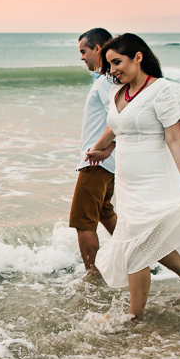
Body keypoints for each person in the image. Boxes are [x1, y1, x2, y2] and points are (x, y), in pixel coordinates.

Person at [85, 34, 180, 317]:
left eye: (117, 61)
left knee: (135, 246)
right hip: (128, 181)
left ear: (138, 56)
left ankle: (135, 314)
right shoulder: (117, 92)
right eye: (109, 65)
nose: (112, 70)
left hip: (155, 177)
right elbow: (117, 125)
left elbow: (174, 137)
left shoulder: (163, 90)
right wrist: (101, 150)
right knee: (147, 237)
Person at [70, 28, 117, 273]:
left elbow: (119, 117)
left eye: (83, 51)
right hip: (106, 164)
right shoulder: (107, 80)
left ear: (98, 48)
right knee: (105, 214)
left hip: (95, 164)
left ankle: (92, 274)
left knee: (83, 222)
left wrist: (103, 149)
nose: (82, 57)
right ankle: (140, 258)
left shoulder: (106, 81)